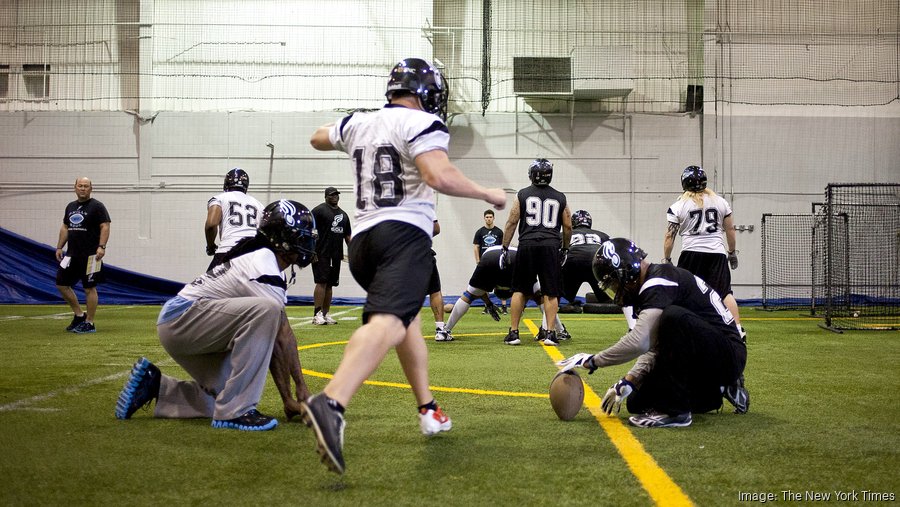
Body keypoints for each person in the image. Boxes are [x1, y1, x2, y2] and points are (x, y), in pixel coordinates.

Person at [306, 57, 507, 474]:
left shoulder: (359, 122)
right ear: (426, 92)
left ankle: (428, 407)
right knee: (388, 322)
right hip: (403, 236)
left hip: (363, 243)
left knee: (407, 321)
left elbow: (317, 138)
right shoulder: (422, 123)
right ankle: (331, 402)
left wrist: (349, 130)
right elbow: (438, 176)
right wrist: (487, 193)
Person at [114, 200, 317, 431]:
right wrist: (293, 395)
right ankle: (235, 412)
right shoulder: (265, 265)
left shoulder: (261, 260)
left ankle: (156, 386)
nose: (308, 243)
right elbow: (281, 338)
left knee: (224, 393)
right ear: (282, 238)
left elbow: (279, 336)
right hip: (183, 319)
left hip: (184, 323)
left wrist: (293, 395)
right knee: (268, 311)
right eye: (302, 237)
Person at [557, 238, 749, 429]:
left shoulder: (659, 280)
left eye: (614, 283)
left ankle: (677, 412)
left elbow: (639, 341)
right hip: (704, 352)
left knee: (673, 317)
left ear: (626, 270)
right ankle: (716, 391)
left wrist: (593, 360)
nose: (616, 291)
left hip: (728, 353)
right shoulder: (651, 284)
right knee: (637, 402)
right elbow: (654, 346)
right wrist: (629, 380)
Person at [662, 165, 743, 335]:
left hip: (691, 254)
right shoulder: (721, 202)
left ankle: (685, 330)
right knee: (725, 293)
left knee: (686, 292)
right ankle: (737, 331)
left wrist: (667, 259)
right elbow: (730, 230)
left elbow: (670, 236)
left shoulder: (678, 206)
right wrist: (732, 252)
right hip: (716, 254)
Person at [500, 158, 571, 346]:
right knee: (551, 292)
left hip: (527, 245)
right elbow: (568, 225)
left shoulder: (522, 194)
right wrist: (565, 248)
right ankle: (550, 333)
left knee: (520, 290)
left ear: (532, 174)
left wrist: (505, 246)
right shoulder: (560, 197)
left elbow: (512, 221)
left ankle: (514, 333)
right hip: (550, 246)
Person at [443, 245, 567, 340]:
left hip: (489, 258)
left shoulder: (490, 284)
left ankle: (446, 331)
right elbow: (531, 296)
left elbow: (477, 292)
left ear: (495, 287)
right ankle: (559, 331)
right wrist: (521, 308)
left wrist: (489, 304)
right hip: (516, 257)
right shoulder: (519, 292)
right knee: (541, 298)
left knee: (468, 295)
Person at [554, 209, 636, 335]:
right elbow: (611, 252)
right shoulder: (601, 235)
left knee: (557, 297)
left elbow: (555, 251)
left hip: (572, 261)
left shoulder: (563, 233)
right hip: (596, 263)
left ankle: (551, 327)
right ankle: (633, 326)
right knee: (614, 295)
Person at [55, 177, 111, 334]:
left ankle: (90, 322)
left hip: (92, 255)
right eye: (80, 186)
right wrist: (60, 246)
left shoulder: (97, 206)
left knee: (89, 288)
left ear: (91, 188)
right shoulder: (71, 207)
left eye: (86, 186)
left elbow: (105, 226)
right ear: (75, 187)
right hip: (72, 254)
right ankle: (79, 315)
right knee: (61, 284)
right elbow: (65, 227)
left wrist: (102, 246)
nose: (83, 188)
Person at [204, 168, 263, 271]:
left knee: (205, 286)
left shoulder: (219, 198)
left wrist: (210, 246)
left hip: (228, 250)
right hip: (254, 255)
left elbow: (211, 225)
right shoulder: (259, 205)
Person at [311, 186, 352, 325]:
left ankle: (325, 313)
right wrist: (311, 251)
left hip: (336, 255)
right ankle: (317, 314)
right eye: (332, 195)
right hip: (321, 253)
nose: (335, 197)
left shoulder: (344, 215)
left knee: (330, 285)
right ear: (326, 196)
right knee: (321, 282)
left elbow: (347, 237)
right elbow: (309, 229)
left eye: (336, 194)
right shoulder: (319, 211)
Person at [473, 209, 507, 313]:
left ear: (493, 218)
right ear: (484, 218)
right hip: (485, 262)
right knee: (484, 284)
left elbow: (503, 246)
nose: (488, 219)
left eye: (490, 217)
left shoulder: (499, 232)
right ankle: (487, 306)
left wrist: (503, 259)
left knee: (501, 283)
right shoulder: (480, 232)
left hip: (497, 261)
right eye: (487, 217)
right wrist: (478, 260)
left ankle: (504, 307)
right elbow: (476, 247)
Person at [429, 220, 452, 342]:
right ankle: (440, 331)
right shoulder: (423, 203)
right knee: (435, 291)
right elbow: (436, 229)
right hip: (422, 252)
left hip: (401, 254)